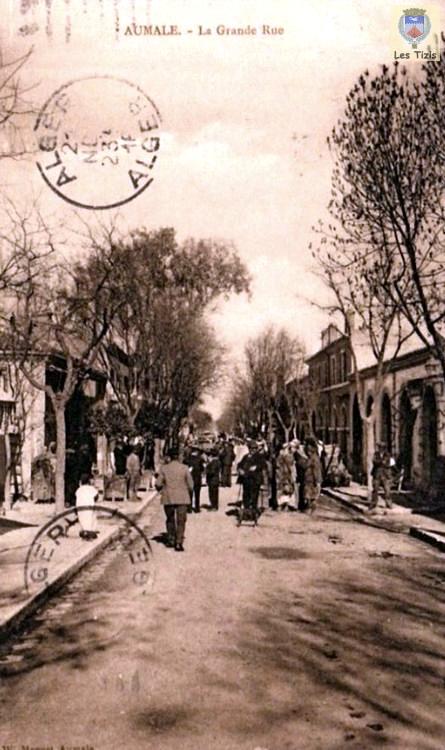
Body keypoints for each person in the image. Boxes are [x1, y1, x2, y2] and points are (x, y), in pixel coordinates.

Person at [155, 447, 193, 551]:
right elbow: (191, 485)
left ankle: (171, 539)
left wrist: (160, 489)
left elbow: (158, 483)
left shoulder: (164, 468)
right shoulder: (185, 468)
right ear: (178, 456)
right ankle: (179, 542)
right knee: (181, 520)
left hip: (168, 497)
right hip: (182, 498)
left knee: (170, 518)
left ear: (169, 457)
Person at [237, 440, 267, 513]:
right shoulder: (246, 456)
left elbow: (263, 465)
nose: (253, 450)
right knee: (246, 495)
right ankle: (246, 510)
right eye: (251, 448)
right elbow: (239, 464)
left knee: (254, 496)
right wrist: (240, 469)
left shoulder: (259, 456)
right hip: (246, 479)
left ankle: (253, 511)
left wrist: (256, 467)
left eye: (254, 448)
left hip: (255, 479)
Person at [369, 443, 393, 512]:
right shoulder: (376, 454)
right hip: (377, 475)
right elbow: (374, 461)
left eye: (382, 447)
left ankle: (388, 503)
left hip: (385, 475)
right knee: (375, 490)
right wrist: (381, 462)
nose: (381, 449)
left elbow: (390, 463)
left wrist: (383, 463)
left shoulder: (388, 455)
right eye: (380, 447)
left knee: (387, 490)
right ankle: (373, 503)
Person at [75, 473, 98, 540]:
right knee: (90, 518)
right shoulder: (91, 488)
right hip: (89, 506)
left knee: (82, 519)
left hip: (80, 507)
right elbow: (96, 496)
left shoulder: (79, 489)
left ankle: (84, 531)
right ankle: (89, 532)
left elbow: (76, 496)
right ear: (89, 481)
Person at [303, 439, 322, 514]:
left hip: (312, 479)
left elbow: (316, 470)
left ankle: (311, 508)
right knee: (309, 494)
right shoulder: (312, 458)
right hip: (309, 478)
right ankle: (310, 508)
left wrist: (317, 480)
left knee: (311, 495)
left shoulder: (314, 458)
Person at [184, 443, 205, 512]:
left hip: (189, 479)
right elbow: (202, 469)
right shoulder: (200, 459)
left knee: (189, 494)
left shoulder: (187, 459)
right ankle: (197, 508)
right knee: (197, 494)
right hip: (197, 478)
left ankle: (189, 508)